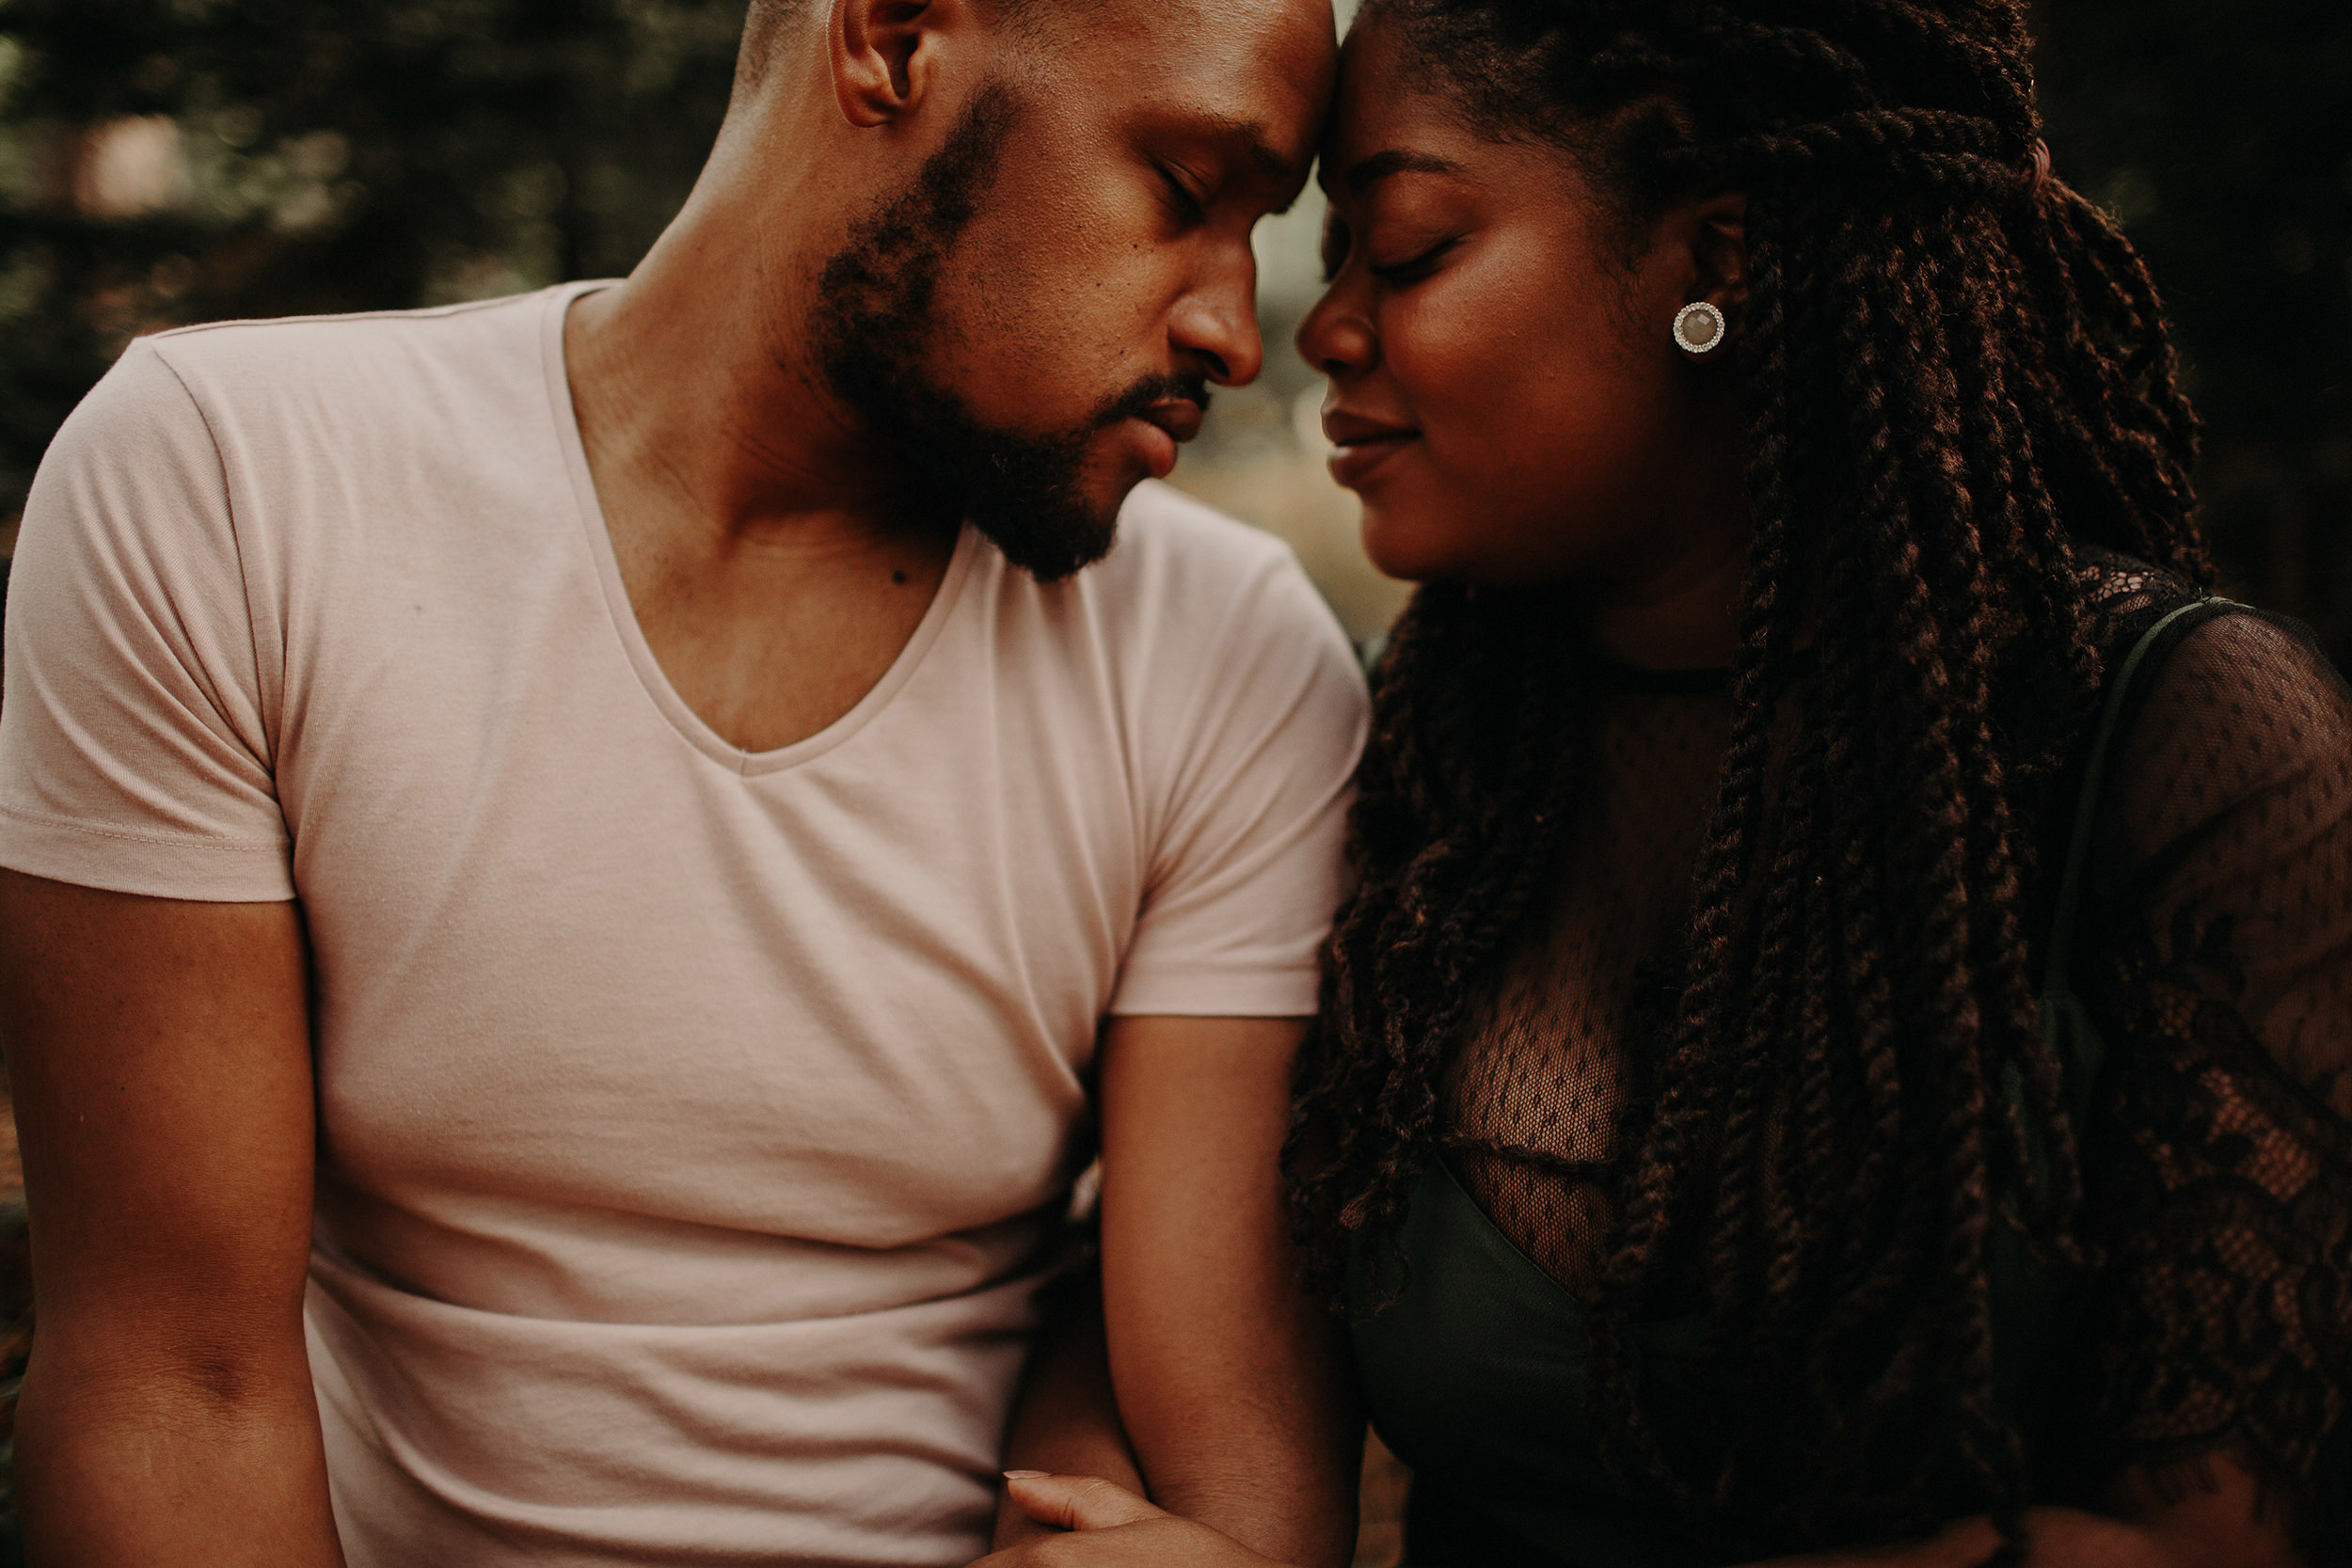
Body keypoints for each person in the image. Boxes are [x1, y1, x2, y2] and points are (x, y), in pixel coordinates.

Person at [0, 1, 1370, 1564]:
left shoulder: (1228, 658)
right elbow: (172, 1389)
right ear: (893, 41)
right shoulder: (239, 489)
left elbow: (1233, 1489)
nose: (1234, 331)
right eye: (1188, 192)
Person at [989, 2, 2352, 1565]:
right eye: (1340, 253)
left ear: (1721, 262)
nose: (1322, 329)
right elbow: (1166, 1281)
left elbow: (2195, 1545)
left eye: (1411, 249)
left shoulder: (2186, 743)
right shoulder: (1421, 755)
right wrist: (1091, 1513)